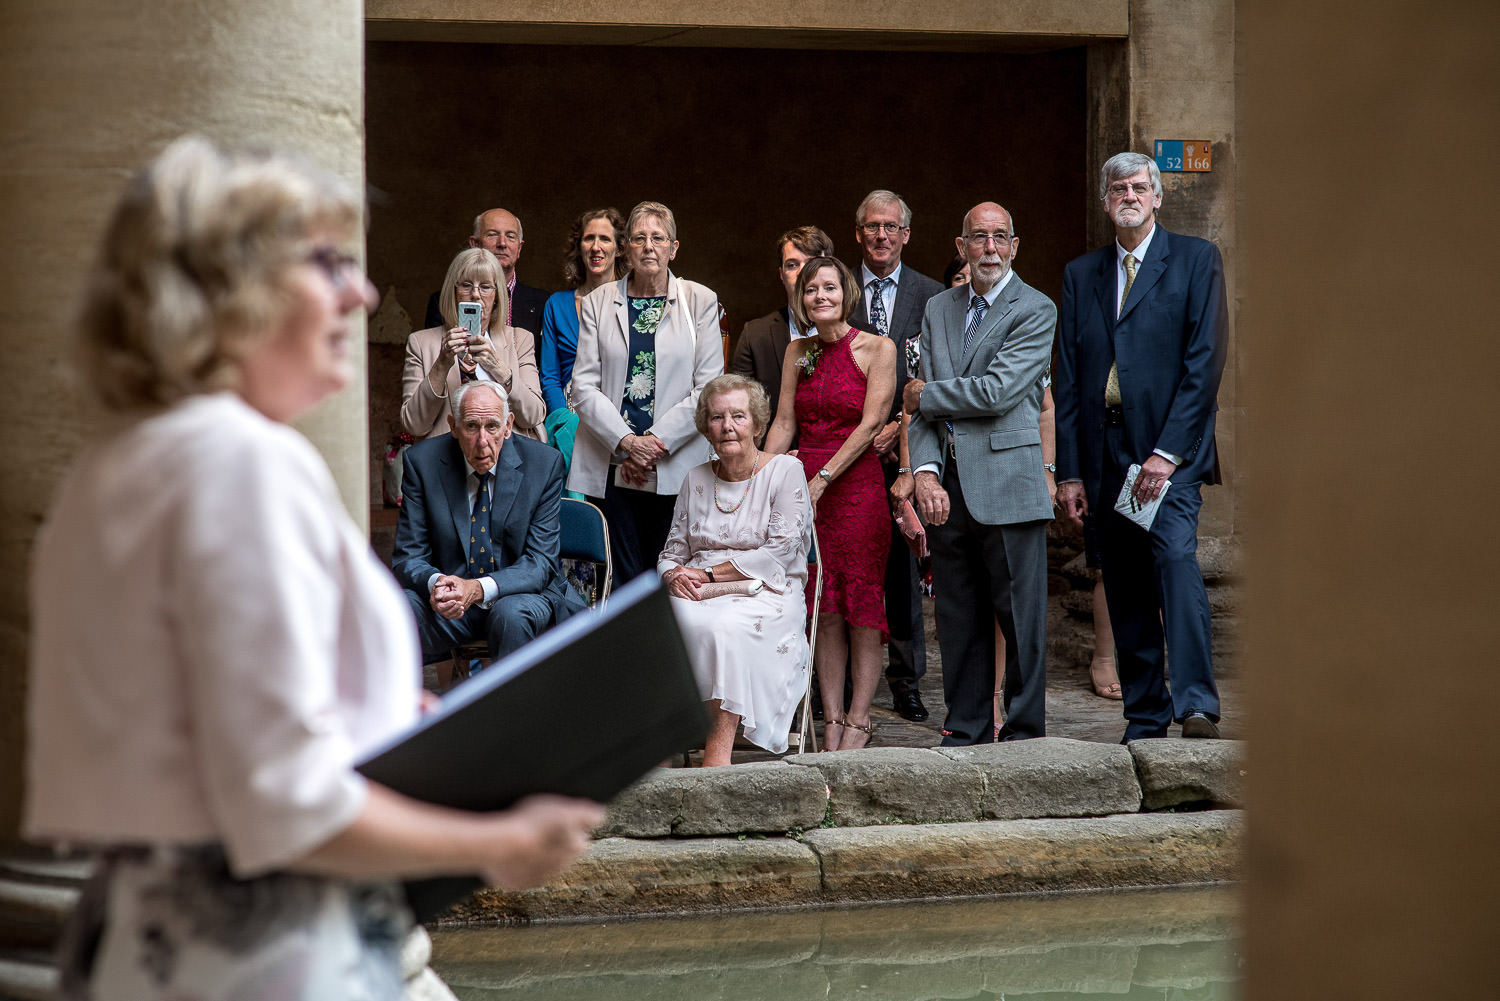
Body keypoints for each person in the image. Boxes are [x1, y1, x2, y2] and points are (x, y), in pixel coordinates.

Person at [24, 137, 603, 999]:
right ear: (229, 287)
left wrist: (362, 710)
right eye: (328, 261)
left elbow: (192, 728)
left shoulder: (117, 463)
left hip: (148, 939)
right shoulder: (242, 464)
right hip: (266, 955)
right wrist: (496, 842)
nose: (362, 292)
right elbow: (281, 801)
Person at [1055, 151, 1229, 741]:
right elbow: (1071, 378)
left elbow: (1204, 365)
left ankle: (1198, 704)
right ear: (1105, 201)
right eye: (1118, 189)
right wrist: (1070, 473)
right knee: (1124, 582)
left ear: (1156, 197)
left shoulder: (1196, 260)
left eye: (1139, 187)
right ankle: (1147, 714)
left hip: (1167, 457)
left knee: (1176, 562)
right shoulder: (1083, 275)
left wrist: (1166, 453)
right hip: (1105, 456)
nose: (1128, 196)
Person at [905, 202, 1055, 744]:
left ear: (1014, 245)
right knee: (958, 618)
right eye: (978, 237)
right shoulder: (939, 307)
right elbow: (917, 408)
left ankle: (1022, 733)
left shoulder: (1036, 309)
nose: (989, 248)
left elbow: (997, 392)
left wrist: (926, 395)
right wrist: (923, 472)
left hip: (1009, 483)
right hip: (947, 489)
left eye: (999, 238)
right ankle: (964, 730)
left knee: (1020, 620)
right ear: (960, 246)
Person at [765, 257, 896, 751]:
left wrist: (822, 476)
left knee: (861, 606)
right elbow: (782, 422)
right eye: (811, 290)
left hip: (855, 488)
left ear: (847, 293)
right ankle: (832, 717)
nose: (820, 296)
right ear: (801, 299)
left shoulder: (876, 348)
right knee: (822, 604)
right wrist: (756, 475)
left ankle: (860, 718)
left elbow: (870, 425)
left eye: (829, 288)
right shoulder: (797, 351)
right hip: (805, 489)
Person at [658, 375, 813, 766]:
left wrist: (709, 576)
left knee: (724, 627)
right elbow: (671, 552)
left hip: (767, 590)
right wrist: (673, 576)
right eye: (716, 417)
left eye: (738, 416)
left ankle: (717, 756)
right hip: (695, 587)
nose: (727, 426)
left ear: (758, 425)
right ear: (705, 427)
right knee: (651, 621)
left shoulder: (785, 472)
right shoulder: (695, 479)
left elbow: (779, 551)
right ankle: (654, 753)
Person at [568, 200, 723, 581]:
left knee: (671, 575)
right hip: (611, 462)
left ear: (674, 248)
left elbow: (707, 388)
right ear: (626, 248)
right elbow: (583, 385)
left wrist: (653, 442)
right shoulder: (598, 303)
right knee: (618, 578)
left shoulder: (699, 301)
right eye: (639, 238)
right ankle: (624, 643)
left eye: (658, 238)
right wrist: (627, 443)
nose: (649, 246)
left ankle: (664, 644)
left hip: (676, 463)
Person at [392, 380, 582, 671]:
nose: (482, 440)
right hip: (451, 602)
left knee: (510, 615)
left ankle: (513, 715)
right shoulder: (422, 463)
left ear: (508, 426)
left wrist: (477, 589)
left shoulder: (543, 464)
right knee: (396, 608)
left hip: (520, 597)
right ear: (453, 426)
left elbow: (540, 563)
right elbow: (409, 557)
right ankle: (404, 713)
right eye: (471, 427)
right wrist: (439, 584)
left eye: (492, 427)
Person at [848, 190, 943, 724]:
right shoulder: (836, 289)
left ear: (906, 234)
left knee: (904, 571)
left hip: (909, 447)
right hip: (849, 450)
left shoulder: (931, 296)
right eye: (871, 227)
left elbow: (934, 375)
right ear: (858, 233)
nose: (881, 235)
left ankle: (904, 678)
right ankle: (835, 676)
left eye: (891, 227)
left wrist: (898, 430)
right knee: (850, 562)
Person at [400, 246, 546, 441]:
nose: (475, 294)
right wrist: (442, 363)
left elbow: (533, 415)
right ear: (454, 292)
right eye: (466, 285)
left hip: (508, 460)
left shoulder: (520, 339)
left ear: (496, 297)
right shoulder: (420, 342)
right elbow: (414, 424)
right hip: (447, 461)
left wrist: (500, 369)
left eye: (485, 286)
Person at [538, 208, 628, 480]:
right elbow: (550, 376)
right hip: (569, 422)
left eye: (605, 239)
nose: (596, 247)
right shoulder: (557, 304)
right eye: (589, 239)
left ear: (620, 248)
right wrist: (567, 424)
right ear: (579, 246)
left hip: (622, 422)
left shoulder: (633, 305)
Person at [729, 225, 834, 429]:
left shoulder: (862, 334)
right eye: (792, 265)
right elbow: (739, 412)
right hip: (775, 454)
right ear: (781, 274)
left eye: (812, 263)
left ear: (832, 269)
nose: (803, 273)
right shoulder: (755, 335)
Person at [424, 207, 549, 343]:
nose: (502, 243)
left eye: (510, 236)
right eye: (492, 234)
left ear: (519, 248)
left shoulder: (543, 302)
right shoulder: (442, 301)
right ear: (475, 244)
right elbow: (433, 352)